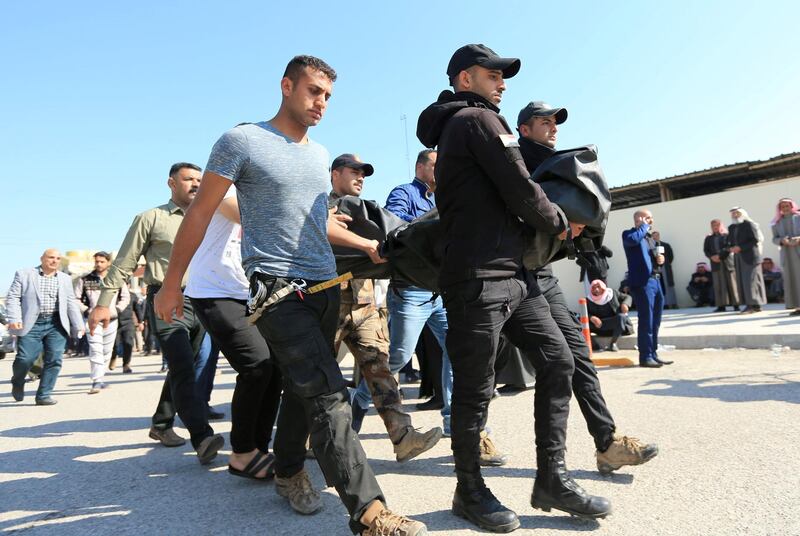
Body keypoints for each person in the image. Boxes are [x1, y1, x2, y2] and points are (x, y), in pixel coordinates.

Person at [154, 55, 425, 535]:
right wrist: (173, 283)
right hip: (276, 289)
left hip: (324, 287)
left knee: (304, 394)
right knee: (327, 393)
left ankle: (288, 470)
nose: (320, 102)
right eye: (313, 91)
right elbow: (200, 213)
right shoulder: (242, 140)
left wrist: (366, 244)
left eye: (327, 96)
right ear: (286, 86)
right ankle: (370, 514)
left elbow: (313, 222)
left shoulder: (319, 156)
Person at [417, 44, 610, 532]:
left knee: (558, 360)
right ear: (465, 79)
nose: (502, 82)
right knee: (476, 389)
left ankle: (552, 479)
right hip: (479, 278)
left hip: (514, 275)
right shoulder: (476, 122)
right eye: (492, 74)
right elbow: (521, 186)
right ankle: (469, 490)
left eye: (503, 75)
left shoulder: (471, 124)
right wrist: (561, 222)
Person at [515, 100, 656, 474]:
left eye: (555, 122)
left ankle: (607, 443)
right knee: (480, 367)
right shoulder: (512, 163)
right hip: (504, 277)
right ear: (524, 129)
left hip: (540, 276)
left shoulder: (559, 171)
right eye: (543, 122)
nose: (553, 127)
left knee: (578, 355)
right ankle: (471, 439)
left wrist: (588, 252)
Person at [88, 162, 224, 466]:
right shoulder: (151, 218)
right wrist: (103, 304)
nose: (196, 185)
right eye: (188, 179)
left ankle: (161, 424)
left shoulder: (214, 216)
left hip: (204, 300)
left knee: (185, 367)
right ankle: (202, 436)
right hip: (166, 298)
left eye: (200, 180)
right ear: (171, 183)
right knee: (183, 366)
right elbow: (124, 262)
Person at [329, 152, 442, 460]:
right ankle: (305, 440)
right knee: (319, 378)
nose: (360, 177)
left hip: (364, 305)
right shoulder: (321, 210)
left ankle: (403, 437)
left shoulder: (366, 214)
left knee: (381, 370)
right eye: (353, 171)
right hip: (328, 306)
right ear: (334, 174)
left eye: (363, 173)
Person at [182, 184, 286, 482]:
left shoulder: (266, 193)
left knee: (275, 368)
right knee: (257, 365)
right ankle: (241, 452)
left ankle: (258, 449)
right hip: (215, 292)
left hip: (249, 293)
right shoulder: (226, 189)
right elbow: (247, 215)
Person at [369, 149, 463, 448]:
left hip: (441, 289)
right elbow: (394, 225)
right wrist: (436, 222)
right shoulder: (404, 193)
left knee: (456, 351)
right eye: (434, 165)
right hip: (411, 289)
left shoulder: (444, 196)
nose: (439, 171)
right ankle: (355, 407)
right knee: (397, 357)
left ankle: (452, 422)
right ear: (420, 166)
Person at [7, 249, 84, 405]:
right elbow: (13, 297)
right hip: (31, 324)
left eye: (58, 258)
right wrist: (14, 318)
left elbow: (70, 303)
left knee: (54, 359)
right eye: (51, 257)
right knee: (25, 358)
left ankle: (44, 395)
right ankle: (17, 381)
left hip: (56, 324)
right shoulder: (24, 274)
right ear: (42, 258)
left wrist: (78, 324)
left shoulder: (64, 279)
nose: (54, 261)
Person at [622, 209, 672, 367]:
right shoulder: (629, 234)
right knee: (646, 320)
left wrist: (660, 260)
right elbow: (633, 241)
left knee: (655, 320)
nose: (652, 221)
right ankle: (645, 356)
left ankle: (653, 353)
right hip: (643, 283)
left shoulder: (649, 238)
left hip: (656, 281)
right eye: (649, 218)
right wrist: (643, 226)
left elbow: (651, 259)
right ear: (640, 219)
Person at [74, 251, 130, 393]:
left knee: (106, 351)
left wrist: (116, 310)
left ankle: (100, 378)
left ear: (108, 262)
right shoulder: (85, 279)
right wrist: (87, 311)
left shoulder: (116, 279)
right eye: (97, 261)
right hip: (92, 320)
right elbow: (76, 299)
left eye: (102, 261)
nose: (98, 264)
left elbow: (125, 297)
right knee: (95, 349)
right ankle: (96, 381)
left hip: (111, 319)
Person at [727, 207, 767, 314]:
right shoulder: (731, 227)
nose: (735, 215)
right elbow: (729, 242)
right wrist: (731, 248)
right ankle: (755, 305)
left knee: (751, 281)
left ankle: (752, 306)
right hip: (738, 257)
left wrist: (741, 247)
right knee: (743, 282)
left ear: (742, 214)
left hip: (751, 256)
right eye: (733, 214)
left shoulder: (749, 224)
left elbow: (755, 240)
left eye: (737, 213)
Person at [770, 198, 800, 315]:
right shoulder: (776, 222)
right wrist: (782, 241)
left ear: (791, 206)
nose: (785, 208)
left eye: (787, 206)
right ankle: (797, 307)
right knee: (791, 280)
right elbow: (774, 238)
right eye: (782, 207)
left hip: (798, 251)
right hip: (787, 254)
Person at [586, 280, 634, 352]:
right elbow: (584, 313)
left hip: (615, 325)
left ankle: (613, 343)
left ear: (603, 287)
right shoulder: (589, 299)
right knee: (579, 323)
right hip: (599, 326)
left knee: (622, 317)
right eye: (594, 288)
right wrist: (591, 317)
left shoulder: (612, 293)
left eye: (598, 287)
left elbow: (628, 297)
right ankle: (594, 345)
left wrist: (625, 304)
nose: (596, 290)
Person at [703, 219, 740, 312]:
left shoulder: (726, 235)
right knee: (718, 285)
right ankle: (721, 306)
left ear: (721, 225)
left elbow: (728, 247)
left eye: (717, 225)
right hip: (715, 264)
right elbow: (706, 250)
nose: (715, 227)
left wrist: (720, 256)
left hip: (727, 262)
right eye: (713, 226)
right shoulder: (708, 238)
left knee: (732, 284)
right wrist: (712, 257)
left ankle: (736, 305)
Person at [109, 282, 141, 373]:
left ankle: (126, 364)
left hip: (128, 323)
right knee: (114, 345)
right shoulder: (112, 295)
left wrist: (140, 321)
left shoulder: (133, 296)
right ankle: (113, 357)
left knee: (128, 343)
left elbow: (137, 309)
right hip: (114, 322)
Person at [651, 231, 677, 309]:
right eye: (653, 236)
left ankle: (672, 303)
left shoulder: (666, 245)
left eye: (656, 236)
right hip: (655, 268)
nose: (655, 237)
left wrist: (665, 264)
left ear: (659, 236)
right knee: (659, 286)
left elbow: (671, 257)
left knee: (668, 285)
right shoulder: (651, 246)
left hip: (665, 268)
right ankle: (662, 305)